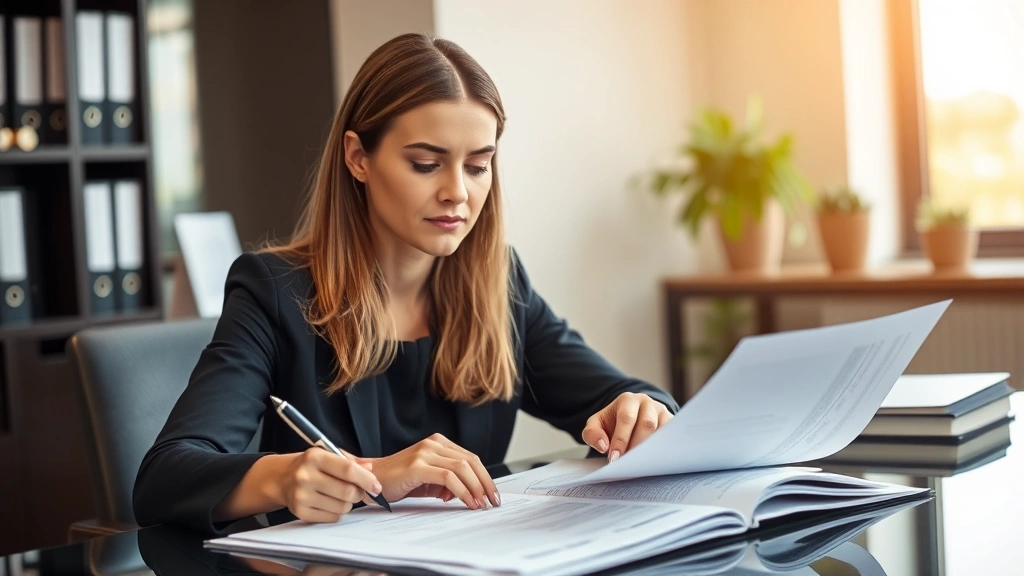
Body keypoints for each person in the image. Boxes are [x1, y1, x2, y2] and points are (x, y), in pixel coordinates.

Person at [133, 33, 678, 535]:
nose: (457, 194)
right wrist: (311, 475)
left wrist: (642, 411)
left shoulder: (499, 285)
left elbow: (627, 397)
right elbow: (166, 478)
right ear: (358, 158)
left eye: (478, 166)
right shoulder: (275, 291)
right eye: (425, 164)